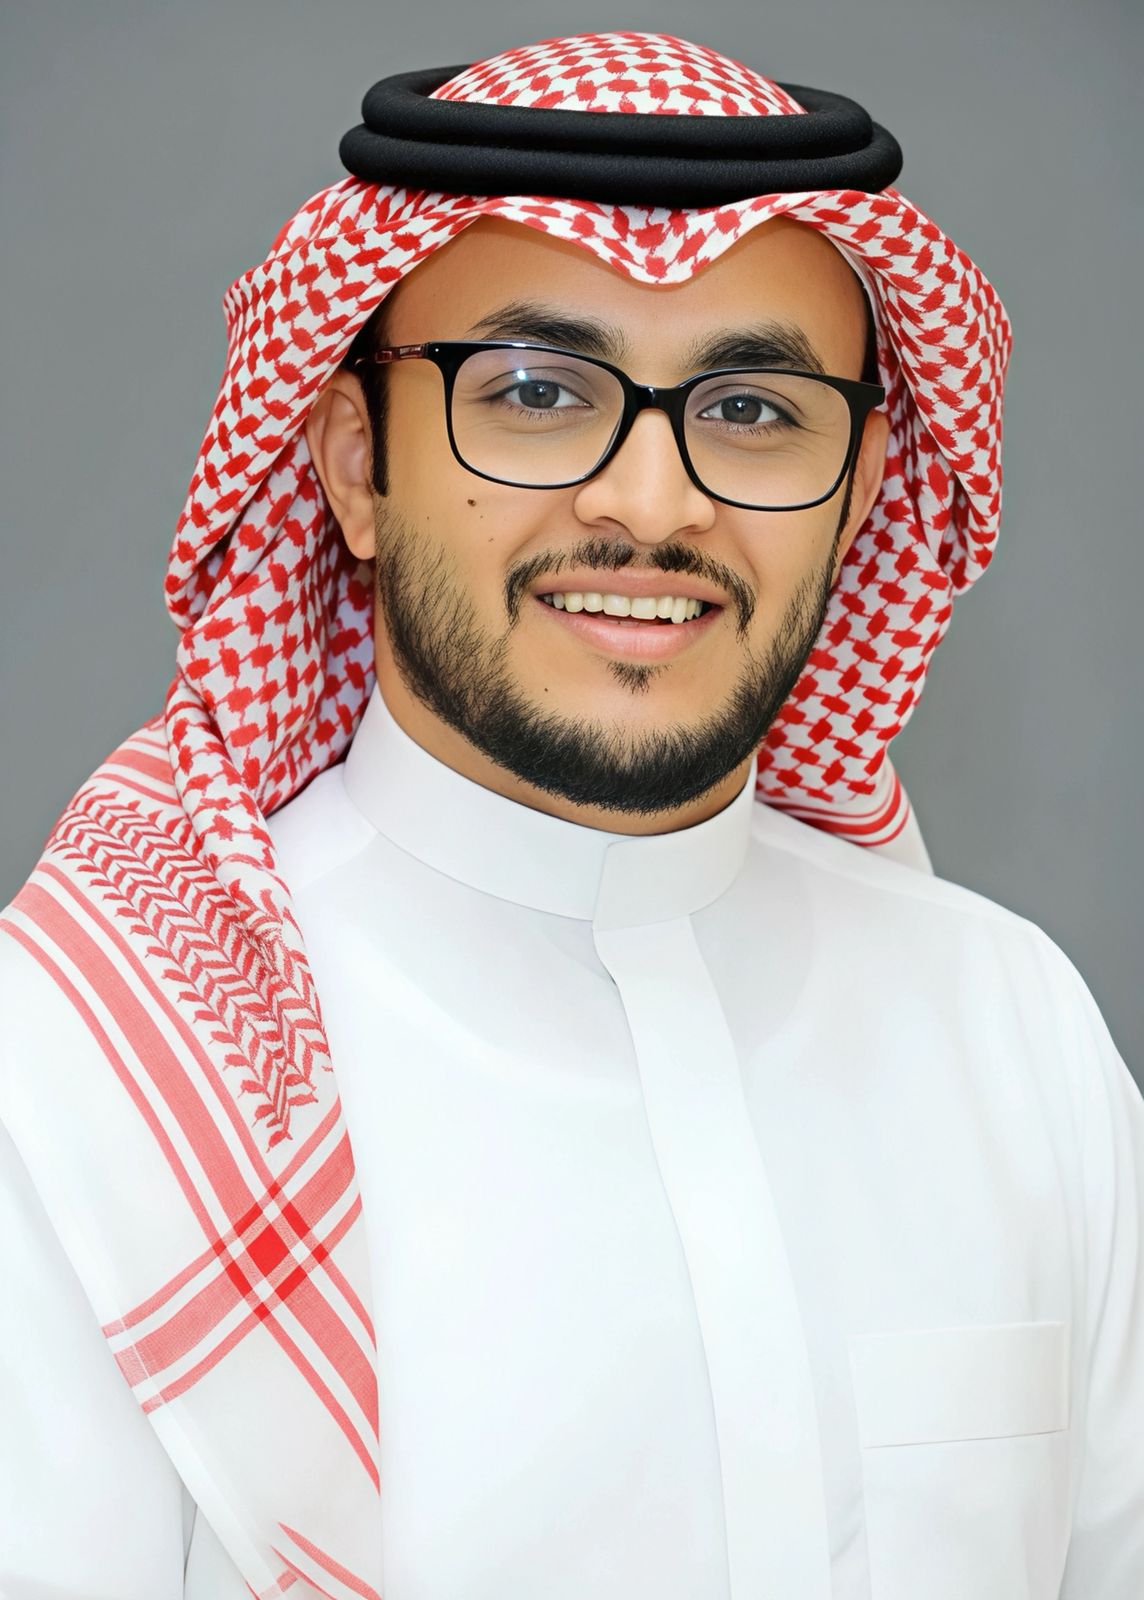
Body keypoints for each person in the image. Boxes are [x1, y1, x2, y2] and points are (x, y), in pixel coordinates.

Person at [0, 29, 1140, 1600]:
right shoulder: (84, 1093)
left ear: (865, 487)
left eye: (754, 410)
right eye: (535, 393)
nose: (654, 505)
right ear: (354, 463)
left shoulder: (1014, 1032)